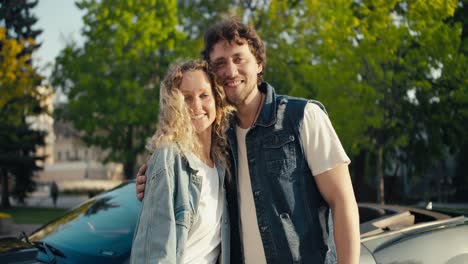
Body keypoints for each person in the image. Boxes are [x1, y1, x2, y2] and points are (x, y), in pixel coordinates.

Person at [136, 17, 360, 263]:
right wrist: (154, 172)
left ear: (259, 64)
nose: (231, 71)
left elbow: (343, 202)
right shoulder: (219, 139)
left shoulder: (303, 117)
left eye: (239, 59)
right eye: (220, 63)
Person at [130, 60, 233, 263]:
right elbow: (154, 252)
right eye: (186, 98)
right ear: (174, 105)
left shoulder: (223, 164)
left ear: (216, 101)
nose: (196, 106)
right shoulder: (168, 158)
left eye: (204, 95)